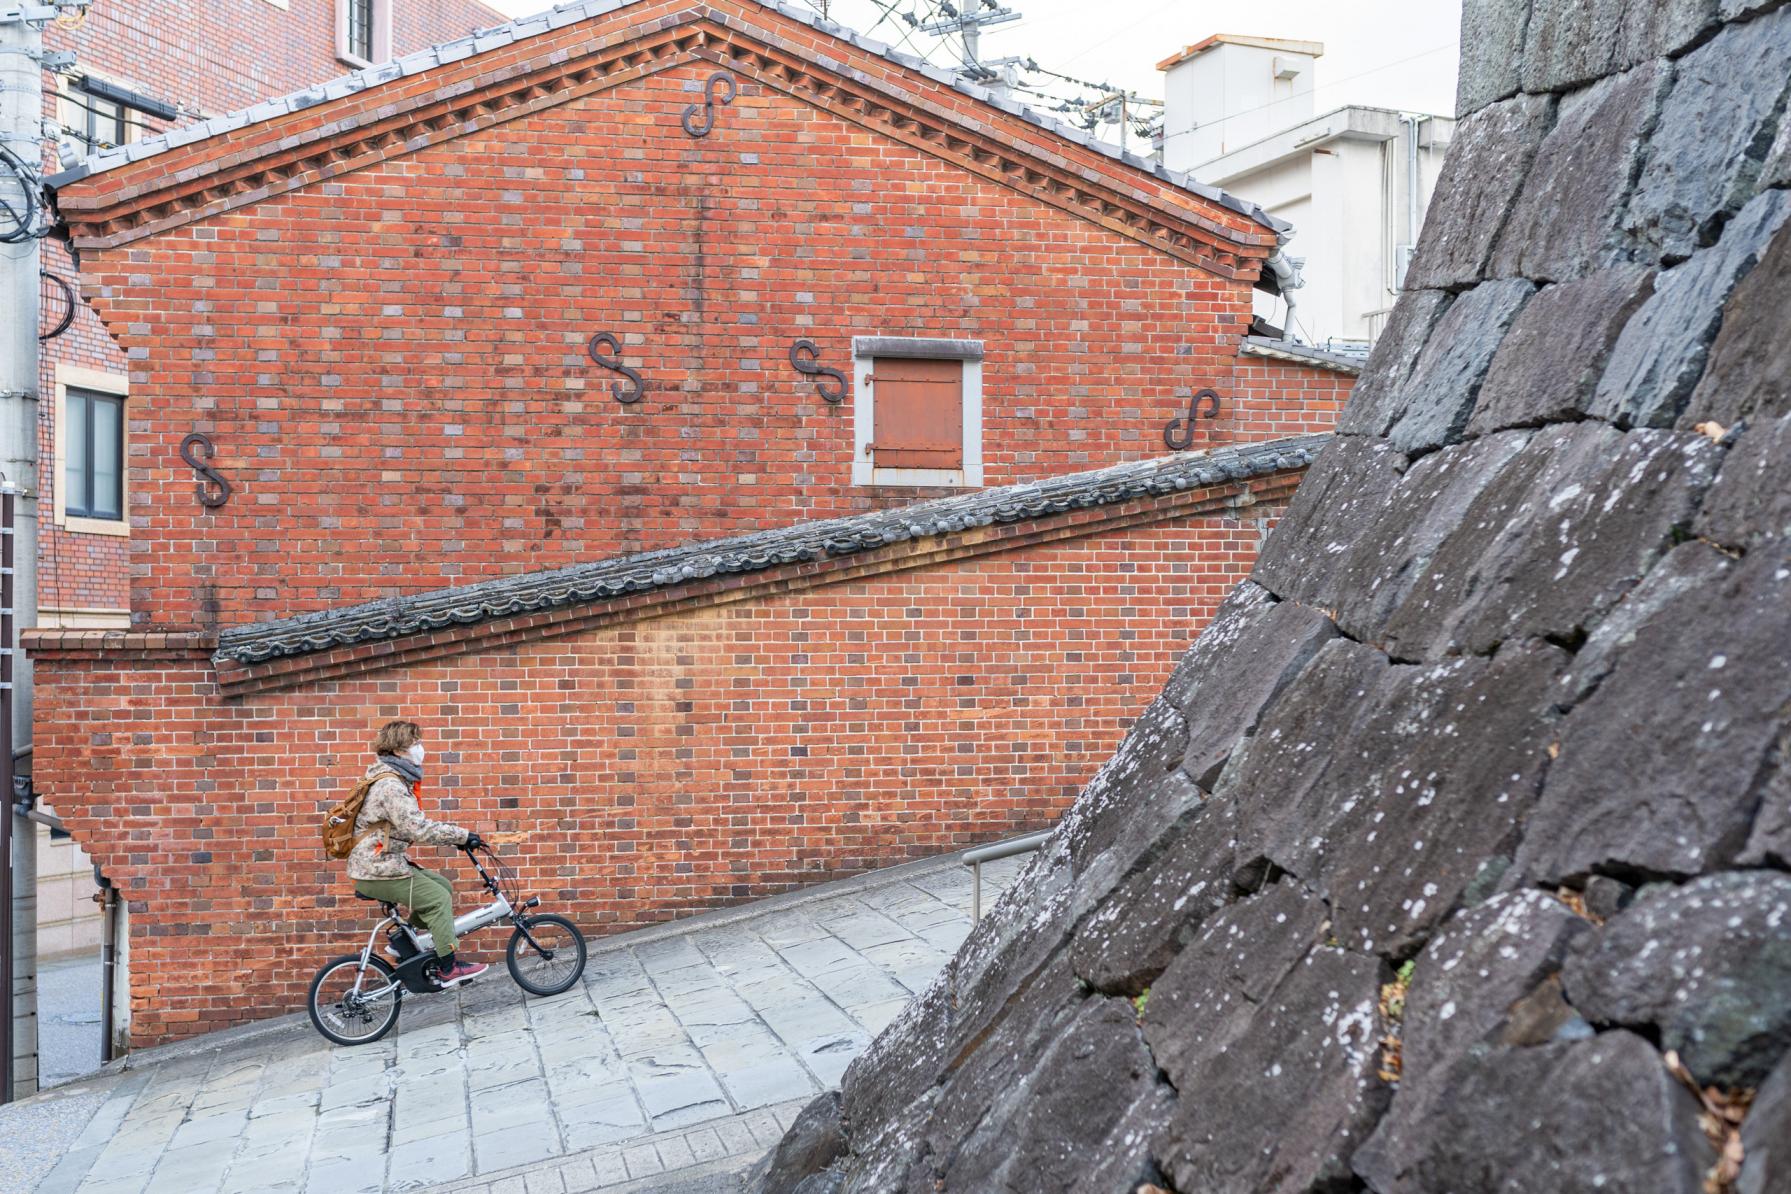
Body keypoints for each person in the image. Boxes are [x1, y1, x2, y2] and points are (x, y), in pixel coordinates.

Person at [346, 719, 489, 986]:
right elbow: (417, 828)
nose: (421, 748)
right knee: (436, 899)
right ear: (399, 749)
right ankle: (448, 967)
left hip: (380, 863)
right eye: (416, 743)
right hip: (377, 869)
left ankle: (402, 945)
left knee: (442, 885)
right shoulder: (390, 785)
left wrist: (457, 838)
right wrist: (461, 835)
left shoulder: (390, 777)